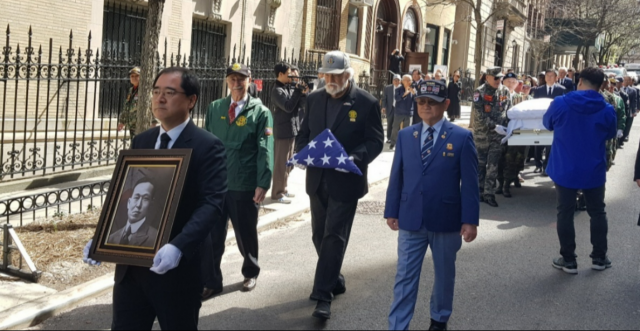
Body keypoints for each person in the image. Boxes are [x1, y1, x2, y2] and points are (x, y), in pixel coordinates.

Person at [82, 67, 228, 329]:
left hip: (177, 271)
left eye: (170, 92)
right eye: (156, 91)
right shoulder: (142, 141)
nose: (160, 98)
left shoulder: (208, 145)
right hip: (131, 273)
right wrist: (104, 237)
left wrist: (178, 246)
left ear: (191, 100)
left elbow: (211, 204)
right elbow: (124, 196)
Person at [295, 51, 384, 320]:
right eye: (327, 75)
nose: (331, 80)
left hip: (346, 181)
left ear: (348, 75)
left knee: (334, 235)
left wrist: (353, 157)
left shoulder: (367, 103)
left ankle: (323, 296)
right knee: (318, 235)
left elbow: (375, 141)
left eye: (336, 75)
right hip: (317, 179)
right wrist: (301, 154)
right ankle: (334, 278)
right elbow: (304, 135)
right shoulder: (313, 99)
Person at [385, 80, 479, 331]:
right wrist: (391, 210)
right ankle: (398, 325)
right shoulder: (406, 135)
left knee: (444, 274)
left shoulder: (461, 137)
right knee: (404, 276)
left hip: (446, 219)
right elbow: (398, 176)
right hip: (410, 217)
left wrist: (470, 220)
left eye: (432, 103)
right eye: (421, 102)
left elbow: (470, 184)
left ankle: (439, 318)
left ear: (446, 104)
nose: (425, 107)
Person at [202, 63, 274, 298]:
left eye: (241, 79)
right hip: (216, 183)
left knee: (245, 233)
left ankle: (250, 271)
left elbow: (265, 148)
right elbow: (206, 144)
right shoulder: (215, 108)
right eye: (232, 79)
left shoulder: (260, 112)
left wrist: (263, 181)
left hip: (244, 184)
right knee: (212, 236)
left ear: (249, 80)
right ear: (226, 81)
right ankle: (212, 281)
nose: (236, 83)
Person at [543, 67, 617, 274]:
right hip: (593, 168)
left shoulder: (560, 103)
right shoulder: (607, 109)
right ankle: (599, 258)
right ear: (601, 85)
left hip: (565, 167)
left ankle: (569, 260)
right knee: (597, 211)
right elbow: (610, 133)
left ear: (580, 81)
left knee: (565, 211)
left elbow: (547, 123)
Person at [473, 67, 511, 207]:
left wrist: (507, 127)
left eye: (500, 77)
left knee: (493, 165)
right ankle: (479, 191)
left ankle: (489, 194)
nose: (498, 80)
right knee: (480, 164)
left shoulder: (505, 91)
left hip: (497, 136)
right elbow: (479, 115)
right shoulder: (479, 92)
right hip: (482, 134)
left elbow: (508, 110)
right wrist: (494, 126)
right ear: (487, 77)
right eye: (495, 78)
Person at [270, 62, 306, 204]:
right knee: (281, 164)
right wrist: (297, 92)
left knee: (289, 164)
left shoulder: (289, 88)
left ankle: (283, 189)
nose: (291, 76)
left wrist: (302, 92)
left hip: (292, 129)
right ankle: (277, 193)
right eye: (288, 73)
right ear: (280, 74)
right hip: (282, 131)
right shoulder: (277, 91)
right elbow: (288, 107)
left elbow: (301, 105)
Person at [107, 178, 159, 248]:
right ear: (129, 203)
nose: (138, 205)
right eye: (136, 197)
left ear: (150, 205)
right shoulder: (111, 238)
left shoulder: (156, 238)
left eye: (145, 198)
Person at [533, 69, 566, 176]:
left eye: (552, 76)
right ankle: (538, 164)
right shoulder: (539, 90)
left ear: (556, 78)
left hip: (555, 122)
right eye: (547, 75)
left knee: (549, 144)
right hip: (539, 121)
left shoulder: (562, 90)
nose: (549, 78)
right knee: (538, 143)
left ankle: (546, 166)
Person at [500, 72, 526, 198]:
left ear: (516, 84)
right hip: (501, 132)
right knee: (501, 159)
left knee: (515, 158)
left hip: (517, 134)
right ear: (503, 82)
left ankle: (511, 180)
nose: (510, 84)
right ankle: (501, 184)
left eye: (513, 82)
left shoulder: (521, 98)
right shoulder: (498, 95)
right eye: (507, 81)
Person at [391, 75, 415, 150]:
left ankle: (405, 144)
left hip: (408, 112)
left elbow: (417, 100)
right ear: (403, 81)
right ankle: (393, 143)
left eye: (410, 80)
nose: (409, 82)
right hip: (399, 112)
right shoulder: (398, 89)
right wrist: (405, 93)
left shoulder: (413, 89)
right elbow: (397, 98)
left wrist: (414, 93)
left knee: (407, 129)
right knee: (395, 128)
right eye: (407, 80)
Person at [118, 67, 141, 138]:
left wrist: (153, 122)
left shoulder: (144, 90)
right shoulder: (131, 90)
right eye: (132, 76)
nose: (134, 78)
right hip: (131, 124)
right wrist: (122, 121)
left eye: (137, 76)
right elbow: (127, 106)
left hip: (140, 124)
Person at [382, 75, 402, 143]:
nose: (396, 82)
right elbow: (384, 98)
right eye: (395, 80)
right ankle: (389, 138)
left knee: (397, 124)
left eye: (398, 80)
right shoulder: (387, 88)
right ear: (392, 81)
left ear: (400, 81)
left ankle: (396, 138)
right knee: (389, 123)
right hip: (390, 108)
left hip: (399, 108)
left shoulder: (402, 88)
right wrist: (383, 107)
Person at [622, 75, 638, 144]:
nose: (626, 81)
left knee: (628, 125)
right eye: (625, 80)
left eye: (628, 80)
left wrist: (634, 111)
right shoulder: (620, 89)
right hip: (623, 110)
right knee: (622, 124)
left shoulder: (633, 90)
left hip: (630, 110)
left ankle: (625, 136)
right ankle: (621, 138)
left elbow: (635, 101)